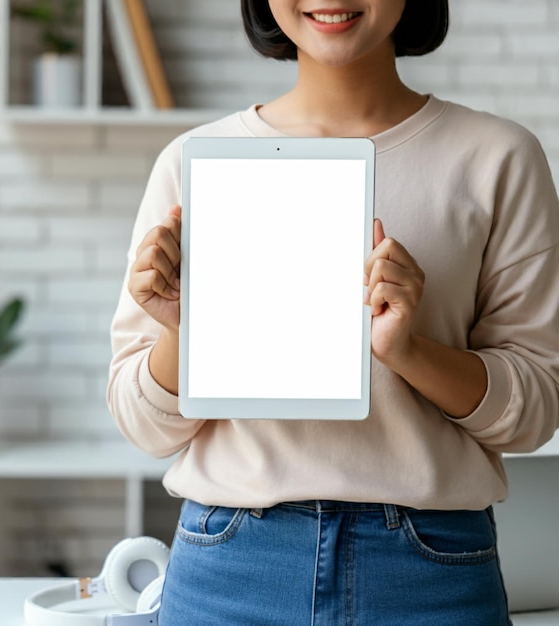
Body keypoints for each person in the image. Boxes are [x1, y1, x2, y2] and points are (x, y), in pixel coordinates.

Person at [107, 0, 559, 623]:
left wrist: (410, 351)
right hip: (230, 564)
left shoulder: (498, 158)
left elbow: (534, 410)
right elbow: (143, 425)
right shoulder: (192, 162)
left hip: (430, 570)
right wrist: (183, 333)